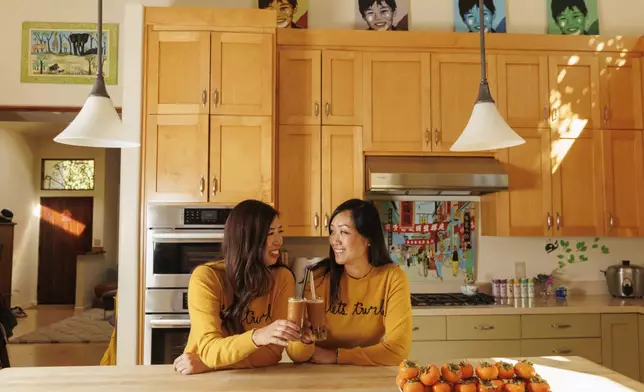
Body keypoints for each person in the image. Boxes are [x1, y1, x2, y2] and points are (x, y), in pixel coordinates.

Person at [173, 200, 306, 375]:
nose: (279, 241)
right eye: (270, 233)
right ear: (247, 239)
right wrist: (257, 337)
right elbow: (209, 350)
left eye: (280, 232)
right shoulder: (206, 278)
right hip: (203, 382)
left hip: (218, 373)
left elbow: (272, 353)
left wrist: (210, 364)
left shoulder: (282, 278)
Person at [286, 199, 412, 366]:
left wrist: (335, 356)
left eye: (344, 232)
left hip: (366, 376)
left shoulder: (391, 278)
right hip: (318, 374)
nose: (334, 240)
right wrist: (304, 342)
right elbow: (296, 355)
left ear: (368, 238)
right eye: (332, 231)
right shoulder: (318, 277)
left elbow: (397, 350)